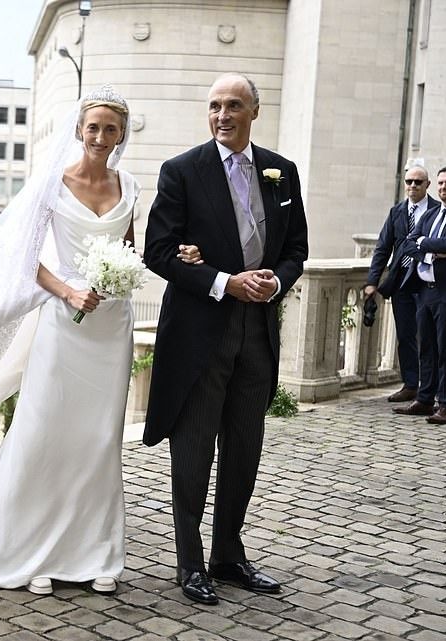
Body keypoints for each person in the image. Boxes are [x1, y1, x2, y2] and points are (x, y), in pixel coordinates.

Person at [0, 86, 146, 596]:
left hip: (112, 325)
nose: (100, 136)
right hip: (64, 322)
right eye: (93, 126)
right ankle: (34, 548)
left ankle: (94, 552)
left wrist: (121, 279)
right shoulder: (52, 184)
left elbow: (129, 250)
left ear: (121, 134)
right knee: (46, 433)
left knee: (99, 440)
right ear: (79, 130)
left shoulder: (130, 186)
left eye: (110, 128)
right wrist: (69, 291)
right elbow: (26, 258)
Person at [142, 73, 309, 605]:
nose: (222, 115)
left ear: (254, 111)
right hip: (200, 335)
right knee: (193, 451)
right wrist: (223, 282)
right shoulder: (182, 171)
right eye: (215, 105)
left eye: (234, 105)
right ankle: (190, 563)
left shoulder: (282, 171)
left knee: (244, 449)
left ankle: (229, 555)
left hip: (258, 331)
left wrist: (275, 282)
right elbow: (158, 250)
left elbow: (297, 249)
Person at [393, 167, 446, 424]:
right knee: (426, 348)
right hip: (425, 291)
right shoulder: (431, 214)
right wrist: (431, 251)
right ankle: (424, 399)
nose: (444, 187)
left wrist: (424, 243)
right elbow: (408, 243)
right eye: (441, 183)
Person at [364, 166, 438, 402]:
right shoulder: (397, 211)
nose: (413, 185)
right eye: (409, 181)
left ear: (427, 185)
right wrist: (372, 282)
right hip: (401, 282)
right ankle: (410, 385)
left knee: (427, 337)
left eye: (418, 182)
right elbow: (383, 248)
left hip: (426, 281)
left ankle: (429, 389)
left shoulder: (437, 210)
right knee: (405, 335)